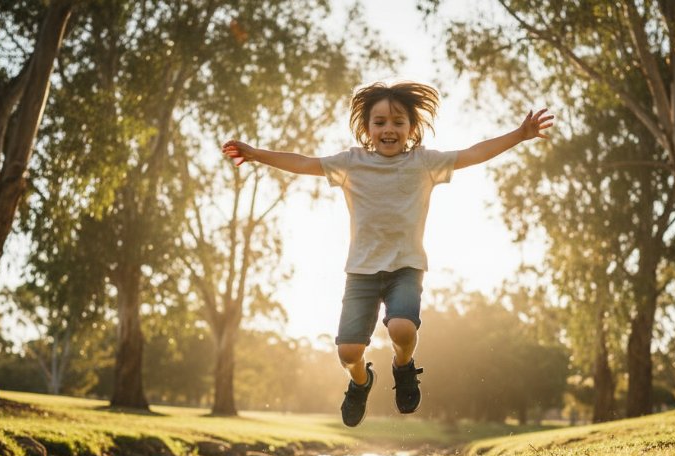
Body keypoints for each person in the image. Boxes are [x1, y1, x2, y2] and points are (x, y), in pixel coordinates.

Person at [222, 81, 553, 427]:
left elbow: (472, 153)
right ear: (367, 129)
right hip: (361, 273)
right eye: (379, 122)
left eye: (398, 122)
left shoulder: (424, 163)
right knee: (348, 352)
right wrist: (257, 154)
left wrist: (519, 134)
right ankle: (360, 382)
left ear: (412, 128)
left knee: (402, 328)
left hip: (405, 268)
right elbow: (304, 163)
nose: (388, 129)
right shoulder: (351, 163)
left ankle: (403, 367)